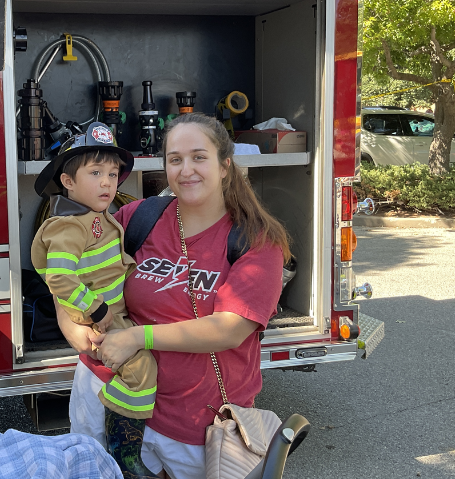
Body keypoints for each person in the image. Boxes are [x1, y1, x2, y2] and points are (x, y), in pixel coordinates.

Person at [56, 113, 291, 479]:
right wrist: (67, 321)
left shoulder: (256, 241)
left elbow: (230, 329)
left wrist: (137, 336)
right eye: (175, 159)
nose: (186, 170)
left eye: (199, 157)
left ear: (225, 166)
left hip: (196, 424)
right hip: (107, 394)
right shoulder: (140, 217)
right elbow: (71, 262)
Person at [31, 122, 159, 478]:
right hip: (100, 315)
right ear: (68, 181)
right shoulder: (68, 225)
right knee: (141, 368)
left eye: (114, 173)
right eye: (96, 172)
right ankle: (124, 449)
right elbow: (59, 277)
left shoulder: (95, 217)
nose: (108, 182)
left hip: (109, 308)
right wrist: (96, 309)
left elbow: (109, 260)